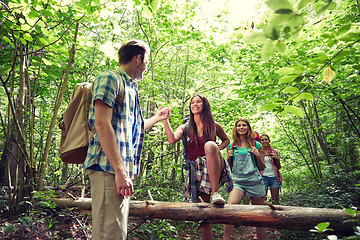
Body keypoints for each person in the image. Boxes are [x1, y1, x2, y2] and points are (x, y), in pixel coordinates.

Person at [83, 39, 170, 240]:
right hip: (107, 168)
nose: (147, 67)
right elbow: (102, 124)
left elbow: (134, 130)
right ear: (138, 58)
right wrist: (120, 171)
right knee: (109, 234)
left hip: (119, 172)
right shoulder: (110, 78)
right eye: (146, 61)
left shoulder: (131, 88)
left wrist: (157, 118)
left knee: (117, 232)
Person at [163, 94, 233, 240]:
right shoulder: (185, 127)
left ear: (205, 105)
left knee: (209, 144)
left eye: (198, 102)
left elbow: (226, 140)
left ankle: (216, 193)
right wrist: (165, 120)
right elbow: (171, 139)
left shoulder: (214, 125)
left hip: (214, 167)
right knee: (203, 211)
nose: (194, 104)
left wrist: (217, 148)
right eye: (192, 103)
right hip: (197, 171)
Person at [223, 118, 266, 240]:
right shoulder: (232, 145)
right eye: (239, 125)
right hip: (238, 181)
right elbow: (229, 167)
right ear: (236, 129)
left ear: (248, 128)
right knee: (230, 208)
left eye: (244, 125)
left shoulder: (256, 145)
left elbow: (262, 166)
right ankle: (225, 238)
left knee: (260, 214)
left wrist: (257, 154)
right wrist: (228, 158)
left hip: (254, 181)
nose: (241, 127)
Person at [259, 134, 282, 204]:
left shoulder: (274, 152)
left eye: (266, 139)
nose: (264, 141)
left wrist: (277, 159)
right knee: (263, 199)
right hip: (263, 177)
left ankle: (276, 213)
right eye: (262, 140)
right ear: (260, 142)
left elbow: (279, 167)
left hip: (274, 177)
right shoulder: (259, 152)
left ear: (269, 140)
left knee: (275, 199)